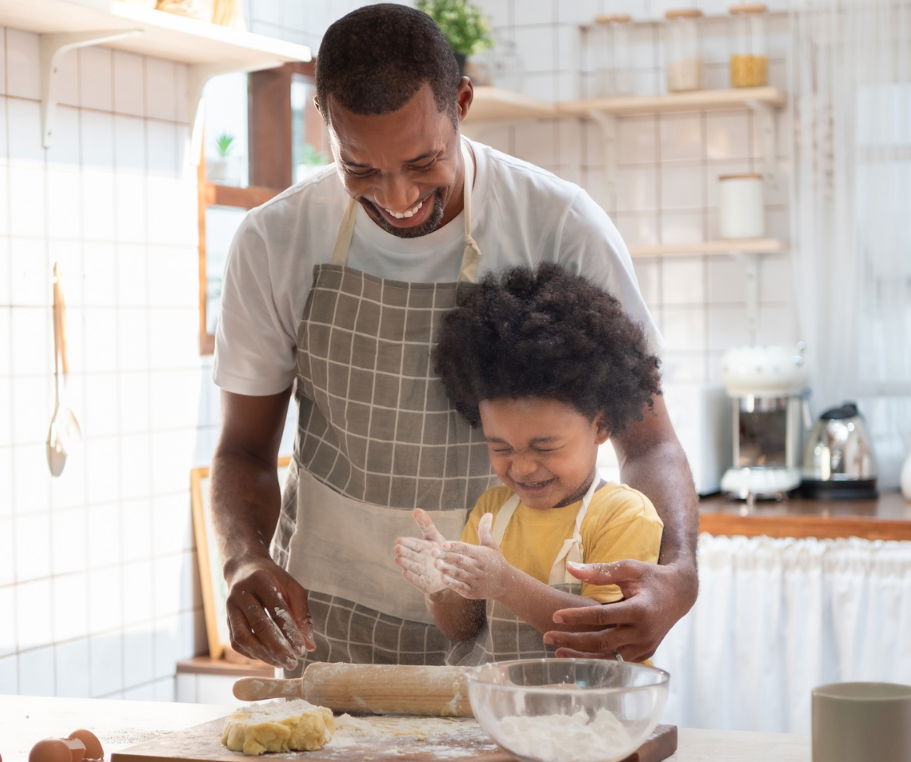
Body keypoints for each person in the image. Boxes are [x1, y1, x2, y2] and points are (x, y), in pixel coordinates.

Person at [209, 3, 698, 672]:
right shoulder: (274, 240)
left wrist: (677, 573)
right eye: (361, 170)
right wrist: (244, 560)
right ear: (326, 126)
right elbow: (242, 450)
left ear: (461, 102)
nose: (397, 196)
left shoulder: (557, 223)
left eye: (421, 161)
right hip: (331, 638)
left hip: (514, 642)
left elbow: (649, 440)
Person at [393, 264, 664, 665]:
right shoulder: (491, 511)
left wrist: (504, 582)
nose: (521, 468)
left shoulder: (622, 516)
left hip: (593, 719)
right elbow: (461, 628)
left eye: (545, 446)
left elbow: (606, 638)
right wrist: (441, 587)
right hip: (502, 717)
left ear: (601, 425)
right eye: (500, 447)